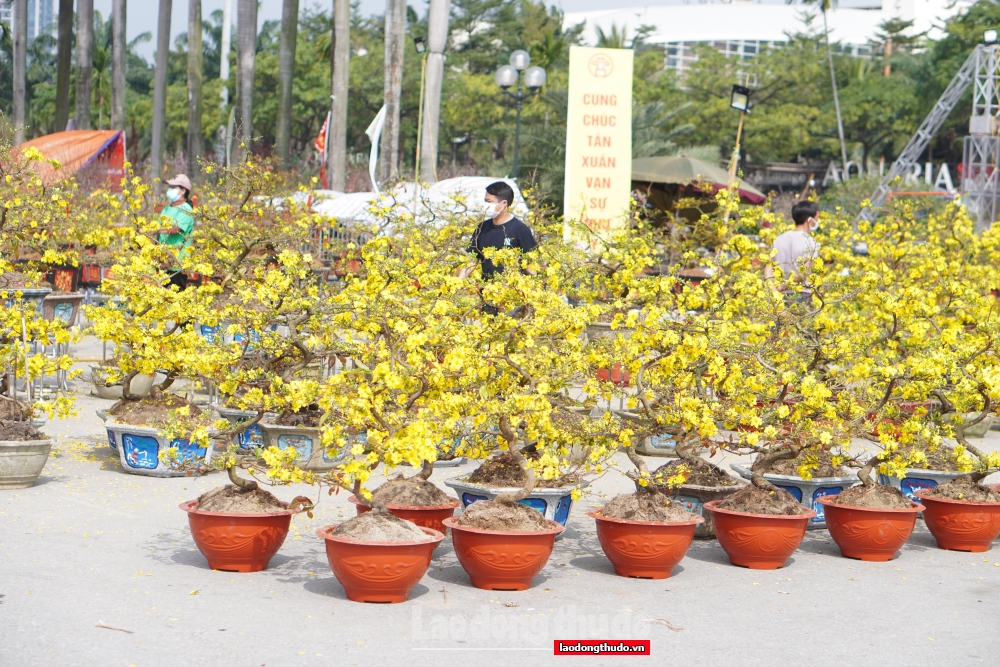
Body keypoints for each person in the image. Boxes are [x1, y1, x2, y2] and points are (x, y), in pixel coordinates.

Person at [158, 174, 195, 290]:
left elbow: (174, 230)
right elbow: (159, 231)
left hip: (177, 263)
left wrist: (149, 230)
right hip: (164, 260)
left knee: (176, 296)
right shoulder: (167, 208)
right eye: (170, 187)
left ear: (183, 190)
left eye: (173, 187)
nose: (170, 190)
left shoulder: (186, 210)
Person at [769, 199, 820, 282]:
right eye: (817, 219)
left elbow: (769, 269)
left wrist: (776, 289)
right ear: (810, 220)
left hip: (778, 293)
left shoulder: (778, 239)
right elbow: (803, 273)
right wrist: (785, 285)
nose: (817, 222)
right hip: (801, 292)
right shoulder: (810, 242)